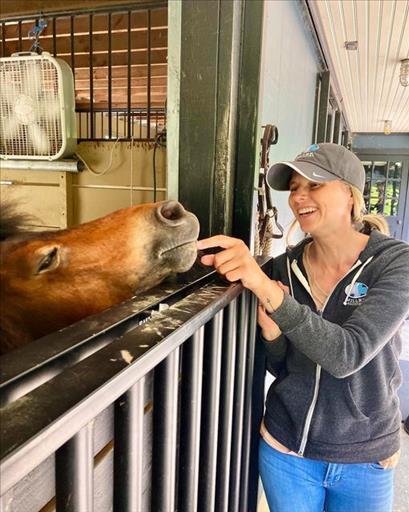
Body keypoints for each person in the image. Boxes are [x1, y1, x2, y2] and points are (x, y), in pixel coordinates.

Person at [197, 143, 409, 512]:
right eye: (294, 187)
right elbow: (281, 368)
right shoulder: (283, 269)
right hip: (287, 452)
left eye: (314, 184)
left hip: (364, 457)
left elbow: (348, 354)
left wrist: (267, 292)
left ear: (349, 193)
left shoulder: (394, 263)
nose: (299, 197)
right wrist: (272, 335)